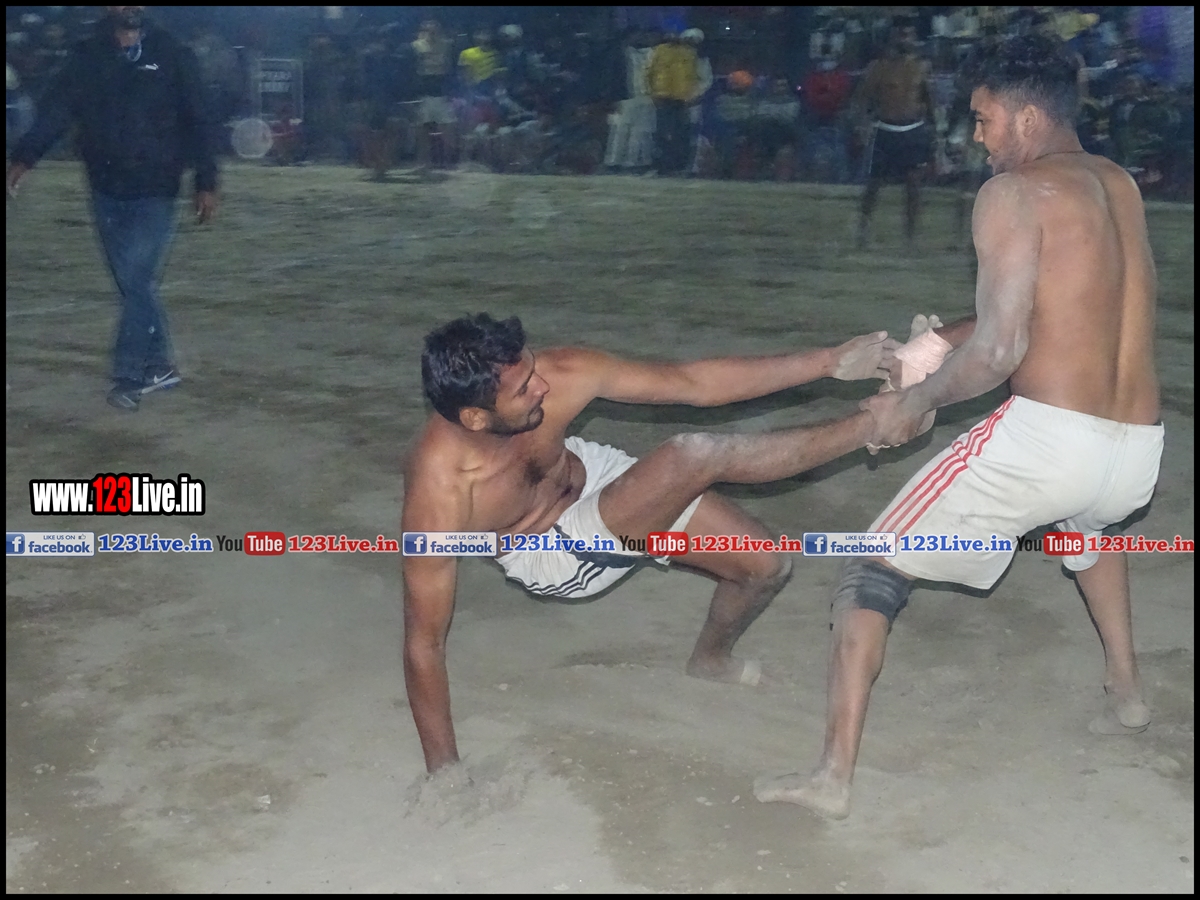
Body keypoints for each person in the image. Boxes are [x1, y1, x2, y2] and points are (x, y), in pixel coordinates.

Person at [755, 33, 1164, 820]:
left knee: (870, 568)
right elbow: (1062, 308)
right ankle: (1126, 690)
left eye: (982, 119)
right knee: (1088, 524)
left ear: (1023, 116)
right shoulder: (1118, 185)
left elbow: (1003, 350)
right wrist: (936, 345)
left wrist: (917, 402)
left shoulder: (1012, 193)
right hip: (1135, 452)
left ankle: (831, 777)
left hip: (1050, 442)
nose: (976, 138)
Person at [403, 314, 901, 774]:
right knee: (693, 455)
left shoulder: (559, 372)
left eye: (532, 369)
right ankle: (878, 423)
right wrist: (445, 773)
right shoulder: (440, 493)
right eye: (523, 389)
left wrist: (830, 361)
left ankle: (709, 660)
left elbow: (691, 383)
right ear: (475, 418)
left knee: (766, 566)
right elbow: (424, 643)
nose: (543, 386)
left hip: (596, 479)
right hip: (553, 553)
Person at [6, 6, 218, 411]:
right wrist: (25, 157)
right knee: (134, 283)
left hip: (157, 187)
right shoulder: (87, 56)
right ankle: (160, 365)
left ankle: (129, 374)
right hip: (105, 187)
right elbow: (58, 109)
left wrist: (206, 180)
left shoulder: (172, 53)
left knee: (136, 277)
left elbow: (199, 119)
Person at [851, 22, 934, 248]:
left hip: (913, 129)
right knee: (874, 184)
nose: (905, 39)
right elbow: (861, 100)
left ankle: (910, 237)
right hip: (886, 129)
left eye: (909, 35)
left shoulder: (922, 67)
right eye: (902, 35)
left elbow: (929, 101)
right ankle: (863, 229)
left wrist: (934, 134)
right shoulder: (878, 68)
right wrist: (861, 128)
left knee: (913, 186)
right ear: (892, 38)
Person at [645, 31, 700, 175]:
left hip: (682, 99)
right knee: (663, 132)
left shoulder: (689, 53)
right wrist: (651, 93)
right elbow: (648, 72)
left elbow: (693, 76)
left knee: (680, 133)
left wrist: (690, 96)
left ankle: (677, 165)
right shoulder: (658, 51)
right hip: (662, 97)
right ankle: (662, 166)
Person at [411, 19, 456, 169]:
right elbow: (416, 69)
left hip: (442, 92)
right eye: (428, 29)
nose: (432, 32)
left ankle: (448, 161)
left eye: (434, 29)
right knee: (422, 129)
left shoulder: (446, 45)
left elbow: (448, 67)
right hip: (424, 92)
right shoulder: (416, 46)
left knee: (447, 127)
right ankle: (423, 161)